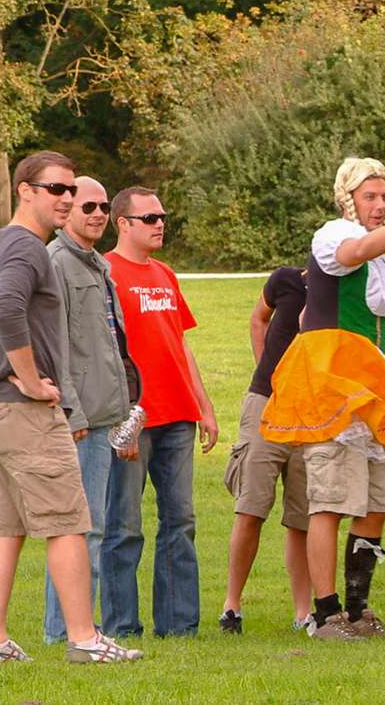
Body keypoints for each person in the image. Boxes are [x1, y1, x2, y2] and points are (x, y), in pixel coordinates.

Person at [0, 149, 141, 664]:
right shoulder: (28, 248)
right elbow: (6, 307)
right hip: (20, 410)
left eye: (72, 190)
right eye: (57, 189)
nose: (68, 199)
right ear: (25, 190)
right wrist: (26, 379)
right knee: (68, 522)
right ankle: (84, 639)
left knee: (4, 528)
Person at [261, 158, 385, 641]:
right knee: (328, 500)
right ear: (349, 198)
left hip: (376, 391)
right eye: (371, 196)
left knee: (377, 500)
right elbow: (353, 252)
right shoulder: (333, 234)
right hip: (334, 387)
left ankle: (358, 608)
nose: (381, 205)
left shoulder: (383, 263)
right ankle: (325, 615)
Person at [103, 186, 217, 640]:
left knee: (181, 521)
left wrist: (204, 406)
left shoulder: (166, 274)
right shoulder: (107, 273)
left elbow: (179, 344)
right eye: (149, 218)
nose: (159, 224)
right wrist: (119, 418)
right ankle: (121, 627)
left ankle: (179, 625)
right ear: (123, 223)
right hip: (132, 418)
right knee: (124, 525)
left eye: (162, 216)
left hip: (178, 416)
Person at [42, 178, 143, 645]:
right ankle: (66, 632)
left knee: (96, 528)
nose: (98, 214)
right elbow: (55, 345)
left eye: (104, 206)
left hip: (107, 414)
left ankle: (80, 627)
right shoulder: (58, 263)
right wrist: (73, 413)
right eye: (89, 206)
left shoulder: (97, 265)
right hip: (82, 421)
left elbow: (111, 345)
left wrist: (124, 411)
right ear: (68, 211)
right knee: (80, 531)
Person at [219, 264, 314, 635]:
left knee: (302, 517)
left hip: (312, 411)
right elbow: (259, 318)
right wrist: (265, 369)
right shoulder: (287, 280)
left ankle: (304, 611)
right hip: (267, 405)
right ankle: (232, 606)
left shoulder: (344, 293)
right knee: (251, 507)